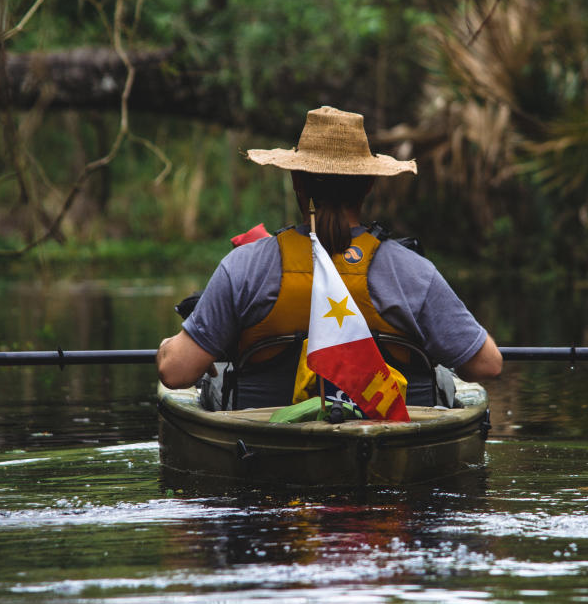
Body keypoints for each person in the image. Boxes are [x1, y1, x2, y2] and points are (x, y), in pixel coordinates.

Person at [156, 106, 501, 407]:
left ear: (296, 181)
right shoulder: (413, 272)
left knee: (212, 384)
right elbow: (488, 365)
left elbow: (174, 372)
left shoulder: (244, 267)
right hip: (387, 445)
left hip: (270, 451)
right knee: (442, 379)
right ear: (368, 185)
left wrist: (167, 346)